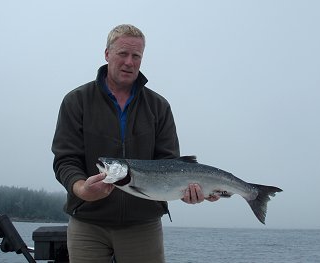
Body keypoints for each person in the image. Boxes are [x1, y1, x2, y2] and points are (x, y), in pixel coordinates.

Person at [52, 24, 220, 263]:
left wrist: (186, 191)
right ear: (107, 54)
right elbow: (65, 159)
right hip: (87, 222)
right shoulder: (76, 101)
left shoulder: (158, 106)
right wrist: (81, 189)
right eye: (122, 54)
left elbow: (169, 163)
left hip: (143, 225)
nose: (129, 62)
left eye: (136, 56)